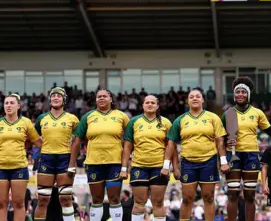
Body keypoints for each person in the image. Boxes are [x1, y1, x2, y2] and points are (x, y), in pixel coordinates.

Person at [162, 87, 229, 221]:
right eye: (191, 97)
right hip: (188, 162)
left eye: (198, 96)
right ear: (187, 101)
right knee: (187, 198)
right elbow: (171, 144)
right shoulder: (179, 120)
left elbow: (220, 141)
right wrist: (166, 166)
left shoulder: (213, 117)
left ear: (203, 100)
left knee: (209, 197)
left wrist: (223, 162)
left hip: (209, 161)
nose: (195, 98)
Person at [69, 88, 130, 221]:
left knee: (114, 198)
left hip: (115, 163)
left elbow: (130, 140)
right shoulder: (87, 117)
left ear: (111, 99)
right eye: (98, 97)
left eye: (104, 96)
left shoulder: (121, 116)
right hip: (94, 163)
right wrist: (71, 164)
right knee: (96, 199)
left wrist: (126, 164)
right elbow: (77, 140)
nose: (101, 98)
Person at [120, 95, 180, 221]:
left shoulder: (166, 123)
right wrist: (124, 168)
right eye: (147, 102)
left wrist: (175, 167)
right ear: (142, 105)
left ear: (157, 106)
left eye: (153, 102)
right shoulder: (134, 122)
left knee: (158, 203)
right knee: (138, 203)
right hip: (138, 167)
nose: (150, 104)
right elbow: (127, 147)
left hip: (159, 168)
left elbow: (172, 147)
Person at [223, 77, 271, 221]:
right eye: (238, 92)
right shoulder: (227, 114)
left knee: (250, 195)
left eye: (244, 91)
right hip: (233, 154)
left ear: (248, 95)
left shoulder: (257, 113)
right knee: (233, 193)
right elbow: (219, 137)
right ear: (234, 95)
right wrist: (226, 141)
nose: (240, 94)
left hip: (251, 154)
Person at [34, 87, 79, 221]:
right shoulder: (42, 118)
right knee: (42, 200)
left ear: (64, 99)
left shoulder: (72, 118)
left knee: (66, 199)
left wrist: (72, 162)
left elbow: (79, 139)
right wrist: (43, 146)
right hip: (46, 159)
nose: (55, 98)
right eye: (53, 95)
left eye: (59, 96)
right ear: (50, 99)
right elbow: (34, 136)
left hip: (65, 159)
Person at [0, 94, 42, 221]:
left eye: (12, 103)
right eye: (6, 103)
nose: (8, 105)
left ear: (18, 106)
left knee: (18, 203)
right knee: (1, 203)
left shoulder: (26, 122)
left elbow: (38, 142)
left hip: (19, 168)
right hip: (1, 167)